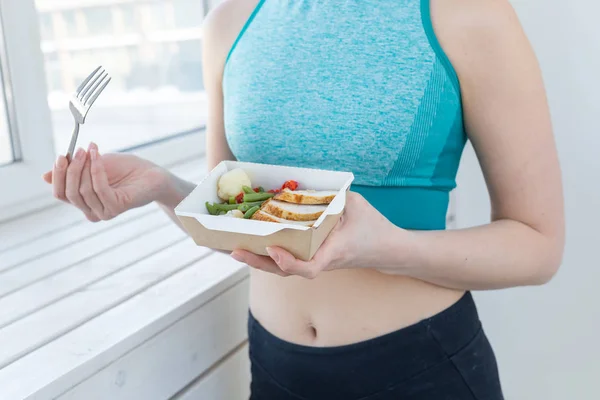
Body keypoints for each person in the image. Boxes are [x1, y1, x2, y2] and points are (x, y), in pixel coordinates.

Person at [44, 0, 565, 398]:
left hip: (420, 367)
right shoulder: (231, 22)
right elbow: (239, 215)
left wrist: (387, 248)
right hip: (275, 369)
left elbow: (539, 245)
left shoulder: (467, 15)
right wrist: (161, 187)